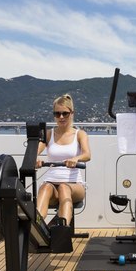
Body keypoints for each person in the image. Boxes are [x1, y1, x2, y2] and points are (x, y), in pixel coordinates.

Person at [36, 93, 91, 230]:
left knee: (64, 187)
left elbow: (87, 155)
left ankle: (63, 230)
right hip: (52, 184)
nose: (61, 117)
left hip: (74, 185)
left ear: (72, 113)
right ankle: (36, 227)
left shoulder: (80, 134)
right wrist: (34, 160)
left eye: (65, 114)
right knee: (45, 187)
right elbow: (33, 152)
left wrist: (76, 158)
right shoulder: (49, 134)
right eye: (57, 114)